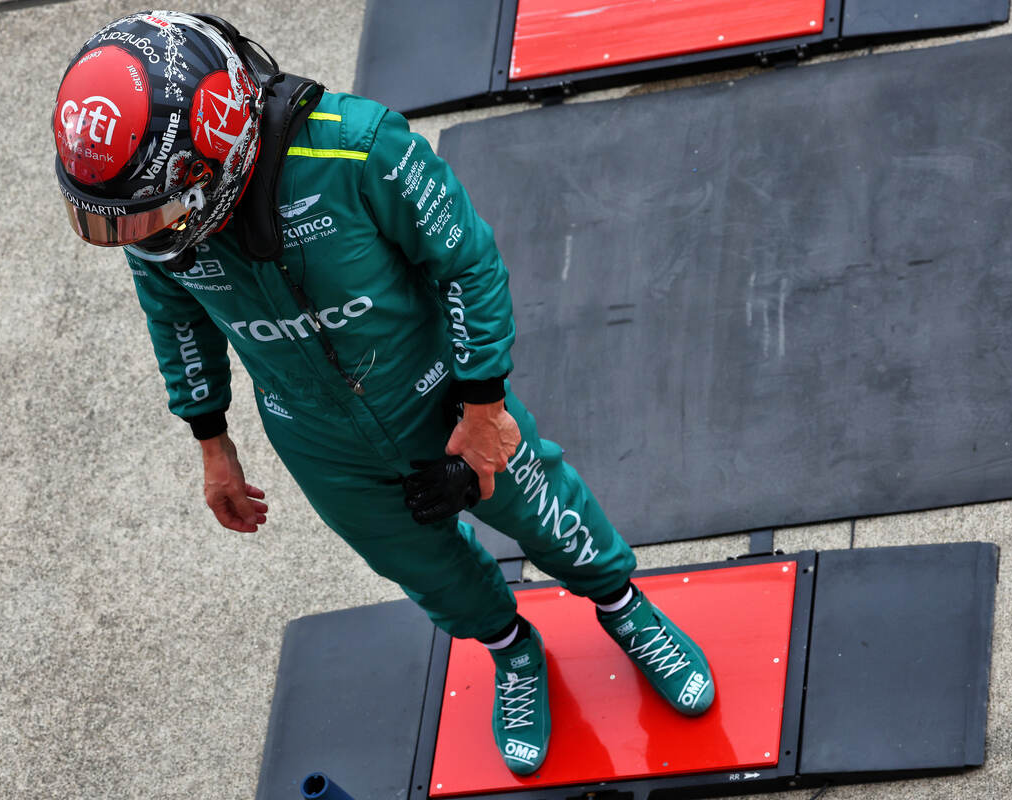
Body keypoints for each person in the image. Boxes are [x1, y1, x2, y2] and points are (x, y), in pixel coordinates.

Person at [52, 11, 714, 775]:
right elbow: (175, 324)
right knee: (424, 569)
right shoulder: (156, 225)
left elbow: (467, 264)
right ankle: (515, 654)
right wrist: (213, 443)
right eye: (124, 221)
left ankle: (626, 610)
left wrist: (485, 408)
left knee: (543, 512)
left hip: (440, 400)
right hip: (320, 442)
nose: (143, 235)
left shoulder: (359, 149)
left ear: (220, 140)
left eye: (152, 212)